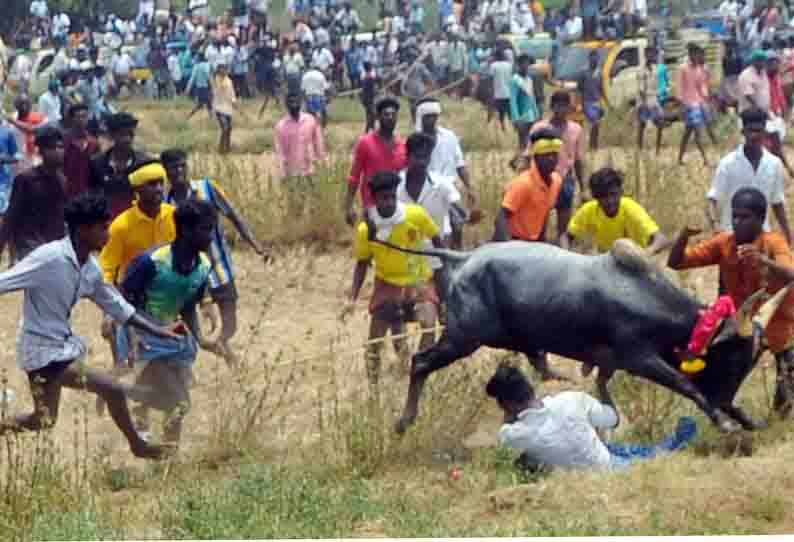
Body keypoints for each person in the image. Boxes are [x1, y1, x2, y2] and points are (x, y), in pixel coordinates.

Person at [0, 193, 182, 459]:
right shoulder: (49, 258)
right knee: (111, 387)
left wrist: (160, 330)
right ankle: (138, 445)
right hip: (41, 351)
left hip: (61, 346)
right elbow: (4, 281)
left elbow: (118, 307)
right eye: (102, 228)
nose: (107, 234)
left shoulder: (91, 269)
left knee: (44, 420)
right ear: (82, 229)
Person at [669, 187, 794, 418]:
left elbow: (791, 274)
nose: (738, 222)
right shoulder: (723, 244)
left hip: (780, 324)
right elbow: (677, 263)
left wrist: (763, 260)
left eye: (745, 217)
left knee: (785, 395)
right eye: (735, 216)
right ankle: (729, 417)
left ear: (760, 219)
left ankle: (776, 430)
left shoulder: (773, 243)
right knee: (725, 385)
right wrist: (684, 235)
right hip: (743, 326)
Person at [114, 199, 215, 446]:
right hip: (144, 338)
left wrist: (199, 337)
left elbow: (188, 305)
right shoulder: (152, 262)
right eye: (205, 229)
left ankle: (168, 456)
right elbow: (124, 299)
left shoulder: (202, 267)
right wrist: (134, 335)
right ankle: (123, 397)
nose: (210, 236)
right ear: (186, 231)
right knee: (179, 401)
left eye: (211, 229)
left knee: (174, 401)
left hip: (176, 339)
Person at [162, 148, 268, 368]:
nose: (179, 171)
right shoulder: (165, 203)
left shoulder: (207, 188)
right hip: (191, 274)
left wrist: (256, 245)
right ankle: (226, 358)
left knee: (230, 325)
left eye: (182, 165)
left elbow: (233, 214)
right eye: (174, 167)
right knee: (200, 330)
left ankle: (224, 350)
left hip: (220, 268)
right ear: (166, 171)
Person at [486, 364, 698, 471]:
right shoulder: (571, 400)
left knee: (525, 461)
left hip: (585, 473)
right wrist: (601, 385)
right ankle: (675, 442)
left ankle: (671, 445)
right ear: (530, 388)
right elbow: (613, 420)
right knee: (638, 452)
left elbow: (506, 439)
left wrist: (509, 415)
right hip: (610, 465)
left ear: (507, 405)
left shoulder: (513, 435)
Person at [346, 170, 443, 384]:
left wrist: (443, 273)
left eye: (391, 196)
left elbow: (437, 239)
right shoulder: (366, 230)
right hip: (387, 283)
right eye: (383, 198)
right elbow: (361, 264)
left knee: (429, 323)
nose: (389, 202)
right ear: (375, 199)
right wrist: (352, 298)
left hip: (418, 279)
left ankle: (420, 372)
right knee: (374, 342)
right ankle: (373, 389)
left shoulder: (415, 215)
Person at [707, 108, 791, 248]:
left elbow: (777, 203)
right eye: (750, 131)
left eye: (758, 131)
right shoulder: (728, 163)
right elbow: (712, 199)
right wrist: (715, 227)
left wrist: (788, 234)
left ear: (765, 133)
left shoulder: (774, 164)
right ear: (743, 132)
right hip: (731, 237)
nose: (754, 135)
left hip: (761, 238)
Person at [397, 132, 460, 296]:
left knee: (449, 303)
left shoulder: (442, 185)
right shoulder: (396, 186)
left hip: (437, 256)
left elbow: (458, 210)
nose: (422, 162)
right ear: (408, 156)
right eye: (418, 157)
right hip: (406, 257)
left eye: (426, 157)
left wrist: (462, 216)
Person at [415, 97, 477, 249]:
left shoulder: (449, 137)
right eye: (428, 116)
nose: (432, 120)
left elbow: (460, 165)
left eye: (435, 116)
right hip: (427, 193)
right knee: (433, 233)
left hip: (450, 189)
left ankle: (456, 259)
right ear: (420, 117)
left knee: (457, 226)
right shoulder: (415, 141)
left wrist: (470, 187)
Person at [561, 167, 668, 255]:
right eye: (604, 197)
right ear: (596, 198)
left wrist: (646, 253)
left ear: (620, 192)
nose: (610, 201)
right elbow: (566, 236)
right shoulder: (589, 210)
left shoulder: (630, 208)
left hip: (637, 262)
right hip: (609, 262)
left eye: (613, 194)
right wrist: (566, 255)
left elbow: (661, 239)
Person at [0, 127, 66, 264]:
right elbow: (11, 216)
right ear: (41, 151)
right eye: (51, 148)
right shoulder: (26, 179)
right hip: (29, 246)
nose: (57, 152)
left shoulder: (62, 180)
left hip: (55, 246)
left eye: (60, 147)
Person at [531, 90, 586, 242]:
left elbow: (578, 160)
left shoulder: (576, 129)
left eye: (564, 106)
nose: (561, 110)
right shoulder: (539, 128)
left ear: (569, 108)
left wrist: (583, 187)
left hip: (565, 180)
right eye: (557, 106)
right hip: (543, 181)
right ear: (552, 107)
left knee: (564, 229)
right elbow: (530, 154)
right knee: (540, 226)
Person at [344, 96, 408, 227]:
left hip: (397, 206)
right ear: (378, 117)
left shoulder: (402, 145)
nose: (390, 117)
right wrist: (349, 206)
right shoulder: (365, 142)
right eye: (386, 114)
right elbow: (354, 176)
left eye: (393, 114)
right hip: (372, 207)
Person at [494, 128, 562, 244]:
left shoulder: (556, 180)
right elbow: (501, 218)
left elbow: (544, 213)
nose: (552, 158)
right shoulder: (524, 183)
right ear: (535, 157)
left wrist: (541, 242)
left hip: (533, 243)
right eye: (546, 155)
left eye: (554, 154)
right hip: (513, 241)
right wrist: (506, 248)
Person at [88, 112, 152, 219]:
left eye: (130, 134)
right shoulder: (97, 163)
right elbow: (93, 198)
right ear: (112, 135)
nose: (127, 139)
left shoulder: (144, 163)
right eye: (122, 134)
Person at [273, 92, 327, 185]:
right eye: (290, 102)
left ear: (301, 103)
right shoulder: (280, 126)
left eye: (296, 101)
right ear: (286, 105)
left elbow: (318, 143)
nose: (293, 104)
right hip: (292, 172)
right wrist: (282, 173)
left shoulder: (310, 120)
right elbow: (280, 151)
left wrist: (323, 162)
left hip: (311, 170)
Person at [677, 44, 711, 166]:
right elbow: (680, 87)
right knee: (697, 131)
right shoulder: (683, 68)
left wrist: (706, 99)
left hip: (699, 103)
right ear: (690, 54)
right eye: (695, 54)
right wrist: (681, 105)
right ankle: (706, 159)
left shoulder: (700, 69)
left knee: (688, 133)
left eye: (698, 54)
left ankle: (680, 158)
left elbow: (702, 86)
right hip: (688, 104)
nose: (697, 56)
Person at [63, 104, 100, 201]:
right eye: (78, 117)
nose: (81, 120)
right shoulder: (63, 142)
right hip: (67, 193)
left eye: (84, 116)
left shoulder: (94, 143)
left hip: (88, 194)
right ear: (71, 119)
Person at [636, 46, 668, 154]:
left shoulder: (655, 69)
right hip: (644, 101)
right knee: (642, 125)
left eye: (655, 54)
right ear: (646, 55)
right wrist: (645, 104)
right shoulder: (641, 70)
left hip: (653, 99)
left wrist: (658, 97)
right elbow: (641, 89)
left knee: (660, 122)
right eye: (652, 54)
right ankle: (639, 149)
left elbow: (656, 86)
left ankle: (657, 150)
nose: (654, 56)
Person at [4, 95, 48, 171]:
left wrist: (13, 122)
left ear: (31, 104)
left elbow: (31, 130)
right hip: (15, 159)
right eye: (21, 104)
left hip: (33, 158)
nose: (24, 107)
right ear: (15, 105)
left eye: (26, 103)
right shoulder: (10, 119)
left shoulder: (40, 118)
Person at [510, 53, 540, 152]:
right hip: (522, 117)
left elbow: (532, 99)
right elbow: (513, 101)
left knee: (532, 142)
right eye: (523, 63)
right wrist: (516, 119)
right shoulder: (515, 80)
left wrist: (537, 115)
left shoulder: (529, 79)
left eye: (527, 64)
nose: (525, 66)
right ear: (519, 64)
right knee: (523, 143)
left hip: (531, 116)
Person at [212, 63, 239, 154]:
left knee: (229, 129)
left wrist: (234, 101)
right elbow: (218, 88)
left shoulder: (229, 81)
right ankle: (221, 149)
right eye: (222, 69)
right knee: (225, 128)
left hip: (228, 108)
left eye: (225, 69)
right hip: (219, 108)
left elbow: (232, 93)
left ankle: (227, 148)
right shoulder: (216, 80)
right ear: (219, 71)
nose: (225, 71)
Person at [738, 50, 771, 115]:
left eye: (763, 60)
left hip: (762, 111)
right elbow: (748, 95)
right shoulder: (746, 75)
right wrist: (760, 109)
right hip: (750, 112)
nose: (762, 62)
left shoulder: (763, 73)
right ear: (753, 61)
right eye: (759, 60)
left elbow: (765, 91)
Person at [0, 119, 21, 217]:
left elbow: (17, 156)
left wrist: (5, 159)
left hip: (3, 181)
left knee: (3, 213)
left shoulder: (7, 132)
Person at [490, 48, 513, 133]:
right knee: (510, 113)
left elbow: (491, 79)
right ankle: (513, 128)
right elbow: (511, 79)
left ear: (496, 56)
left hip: (498, 94)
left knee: (501, 113)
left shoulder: (493, 65)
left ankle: (503, 129)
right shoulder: (509, 65)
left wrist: (492, 93)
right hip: (508, 93)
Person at [185, 52, 213, 120]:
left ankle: (189, 116)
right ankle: (189, 116)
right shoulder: (206, 65)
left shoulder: (197, 66)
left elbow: (192, 79)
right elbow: (208, 76)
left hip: (200, 88)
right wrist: (212, 85)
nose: (195, 58)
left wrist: (188, 88)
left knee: (204, 103)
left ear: (199, 58)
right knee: (206, 103)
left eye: (196, 57)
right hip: (205, 87)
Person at [301, 64, 329, 128]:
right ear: (319, 69)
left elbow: (302, 89)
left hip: (309, 96)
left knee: (310, 115)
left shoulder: (305, 75)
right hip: (319, 96)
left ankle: (311, 127)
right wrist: (327, 98)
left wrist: (304, 99)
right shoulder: (320, 75)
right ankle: (323, 127)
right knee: (323, 113)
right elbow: (325, 88)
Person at [360, 61, 380, 133]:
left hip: (366, 99)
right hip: (369, 99)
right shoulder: (370, 78)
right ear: (370, 68)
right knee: (372, 115)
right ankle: (369, 131)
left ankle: (370, 130)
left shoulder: (365, 77)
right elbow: (373, 89)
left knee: (370, 115)